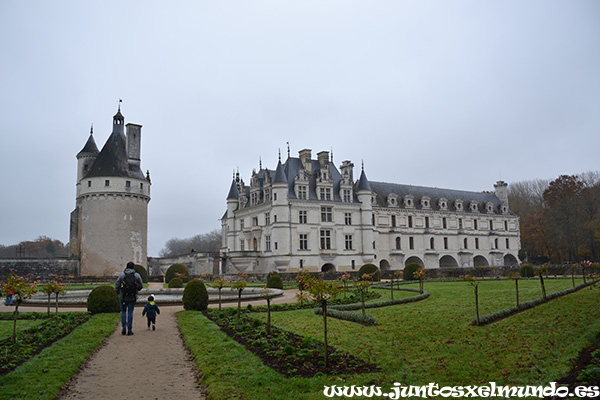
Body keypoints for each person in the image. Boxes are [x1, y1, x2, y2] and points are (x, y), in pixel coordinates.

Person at [115, 262, 143, 335]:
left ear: (126, 267)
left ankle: (124, 328)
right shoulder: (136, 275)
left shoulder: (122, 275)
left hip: (123, 297)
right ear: (133, 268)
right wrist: (136, 290)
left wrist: (118, 293)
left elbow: (117, 286)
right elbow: (141, 286)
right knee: (130, 312)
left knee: (123, 312)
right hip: (132, 297)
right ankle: (129, 330)